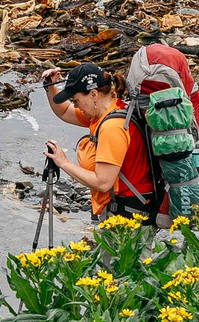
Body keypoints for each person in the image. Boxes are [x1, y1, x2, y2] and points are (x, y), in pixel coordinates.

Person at [44, 64, 143, 223]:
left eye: (76, 100)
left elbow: (103, 183)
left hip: (129, 217)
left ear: (94, 94)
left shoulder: (112, 127)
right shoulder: (107, 111)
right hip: (124, 210)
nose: (75, 106)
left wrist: (63, 162)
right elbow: (64, 111)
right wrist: (50, 86)